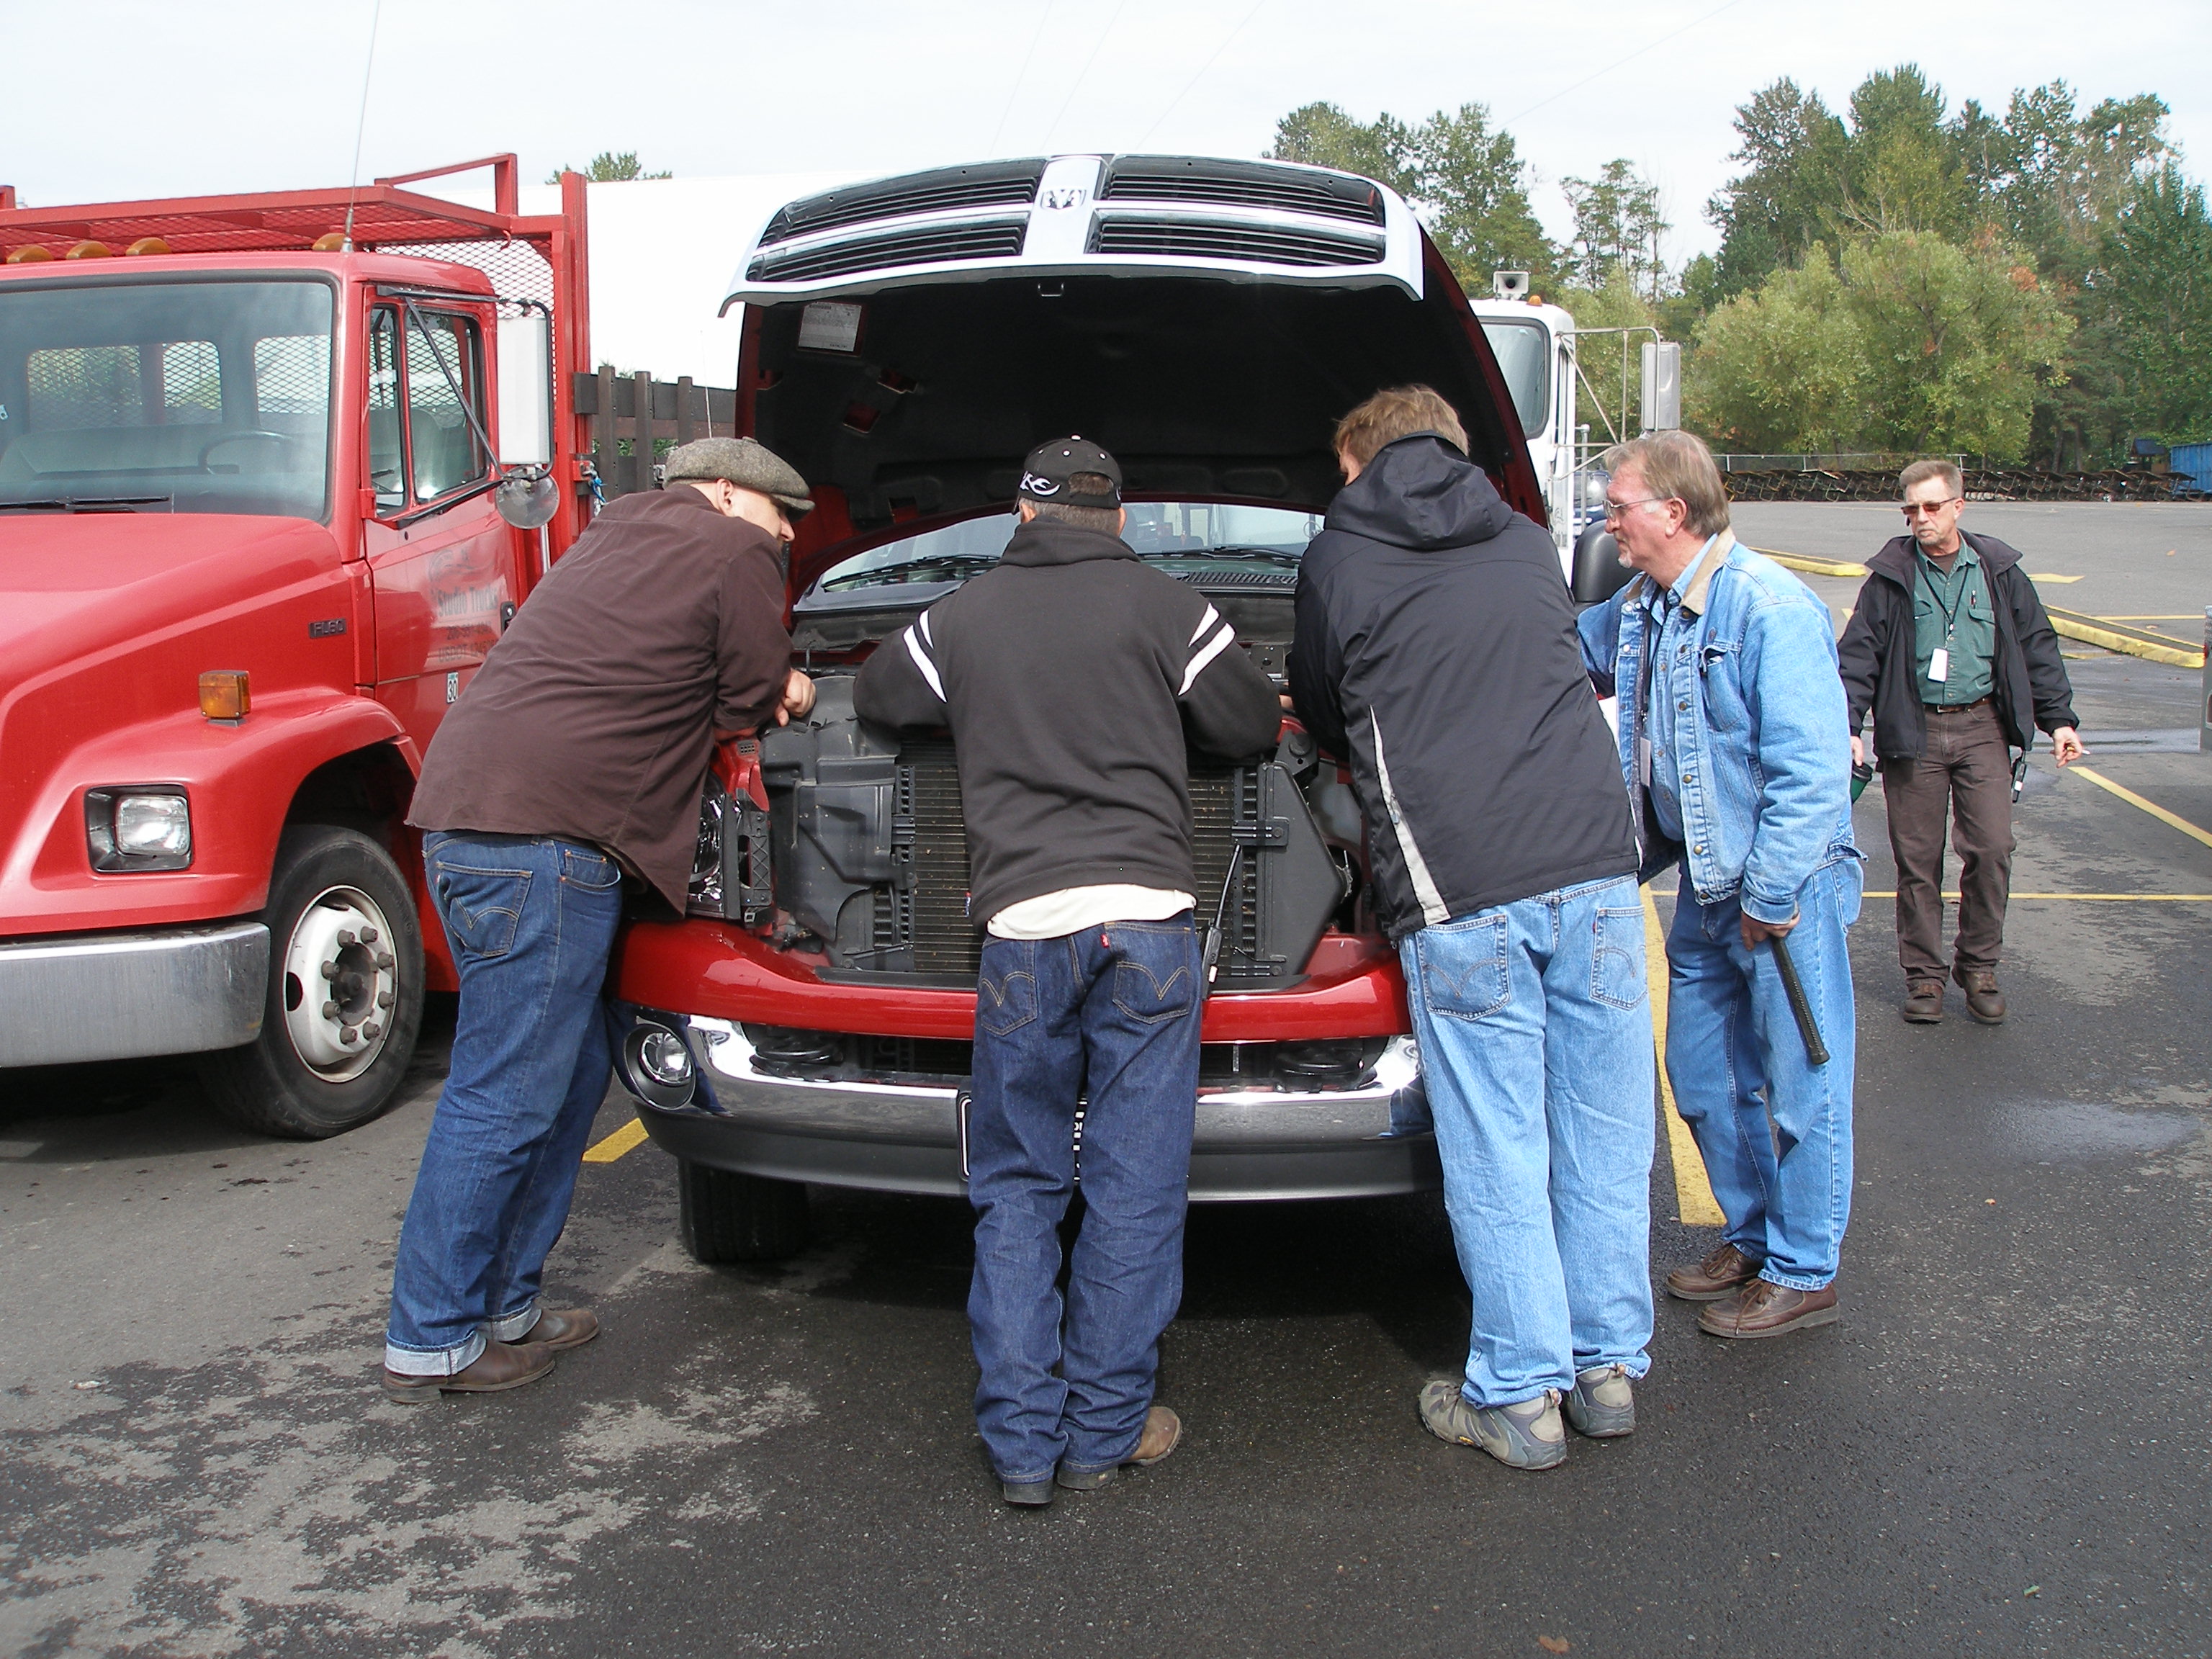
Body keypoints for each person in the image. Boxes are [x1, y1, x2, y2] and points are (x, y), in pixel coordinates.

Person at [854, 437, 1280, 1506]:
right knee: (1135, 1191)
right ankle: (1104, 1433)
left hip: (1025, 933)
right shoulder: (1165, 606)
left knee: (1017, 1186)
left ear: (1023, 514)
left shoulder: (960, 615)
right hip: (1149, 929)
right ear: (1121, 519)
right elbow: (1248, 722)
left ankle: (1021, 1449)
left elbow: (876, 701)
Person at [382, 438, 817, 1403]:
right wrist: (789, 685)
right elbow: (745, 694)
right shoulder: (729, 548)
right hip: (545, 845)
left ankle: (505, 1303)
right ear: (723, 492)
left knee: (572, 1075)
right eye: (780, 515)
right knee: (503, 1092)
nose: (788, 536)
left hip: (480, 825)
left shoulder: (613, 534)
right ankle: (434, 1334)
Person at [1288, 386, 1652, 1471]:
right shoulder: (1525, 536)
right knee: (1603, 1133)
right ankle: (1607, 1368)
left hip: (1464, 884)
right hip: (1593, 868)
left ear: (1359, 460)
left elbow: (1315, 697)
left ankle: (1520, 1397)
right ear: (1451, 446)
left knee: (1499, 1146)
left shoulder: (1340, 556)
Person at [1578, 431, 1860, 1341]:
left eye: (1619, 505)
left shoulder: (1769, 608)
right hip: (1706, 884)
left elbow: (1812, 776)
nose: (1608, 520)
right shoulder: (1644, 606)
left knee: (1802, 1082)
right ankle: (1750, 1236)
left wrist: (1770, 898)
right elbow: (1549, 645)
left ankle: (1805, 1267)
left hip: (1780, 897)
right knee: (1702, 1075)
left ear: (1675, 511)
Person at [1838, 459, 2082, 1025]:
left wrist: (2059, 720)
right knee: (1918, 862)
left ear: (1957, 507)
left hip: (1982, 729)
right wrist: (1848, 728)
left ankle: (1979, 967)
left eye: (1930, 507)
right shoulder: (1891, 578)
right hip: (1913, 732)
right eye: (1911, 510)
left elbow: (2037, 644)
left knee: (1992, 849)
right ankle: (1924, 977)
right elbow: (1857, 658)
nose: (1920, 519)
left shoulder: (1998, 571)